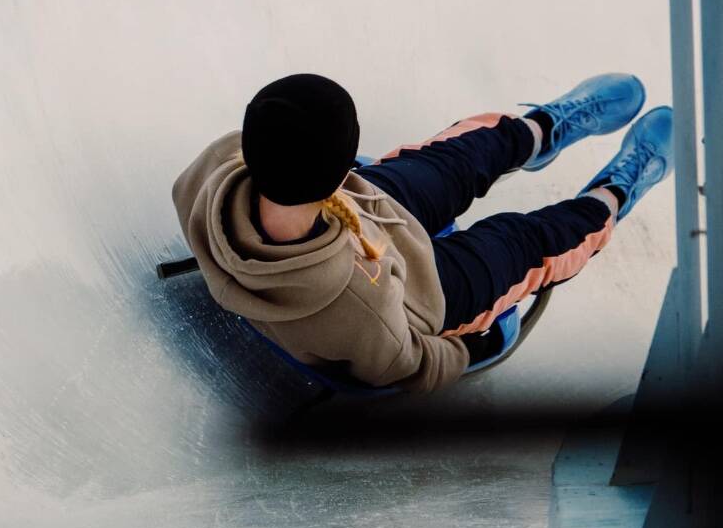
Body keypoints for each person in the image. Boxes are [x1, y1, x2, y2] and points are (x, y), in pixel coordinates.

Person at [171, 73, 673, 392]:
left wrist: (349, 185)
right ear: (336, 170)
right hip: (428, 295)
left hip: (367, 209)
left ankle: (540, 130)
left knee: (459, 157)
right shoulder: (359, 313)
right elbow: (406, 364)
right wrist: (469, 348)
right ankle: (613, 193)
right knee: (530, 241)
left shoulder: (214, 167)